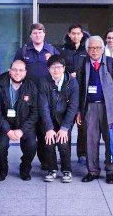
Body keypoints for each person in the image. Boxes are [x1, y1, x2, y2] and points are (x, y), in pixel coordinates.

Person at [76, 36, 113, 184]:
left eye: (98, 48)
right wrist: (79, 110)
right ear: (87, 50)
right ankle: (93, 171)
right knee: (90, 140)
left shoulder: (112, 63)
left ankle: (111, 171)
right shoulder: (82, 65)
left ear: (103, 49)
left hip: (110, 107)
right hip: (90, 107)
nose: (95, 51)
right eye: (91, 48)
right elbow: (79, 90)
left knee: (111, 140)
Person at [14, 23, 60, 171]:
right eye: (34, 33)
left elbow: (60, 69)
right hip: (28, 96)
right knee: (27, 129)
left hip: (47, 96)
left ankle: (45, 161)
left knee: (44, 129)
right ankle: (26, 161)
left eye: (40, 32)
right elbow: (17, 70)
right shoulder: (24, 50)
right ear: (30, 35)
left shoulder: (52, 50)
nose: (37, 35)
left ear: (44, 34)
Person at [0, 60, 39, 181]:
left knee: (31, 145)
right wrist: (8, 130)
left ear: (25, 72)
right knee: (1, 146)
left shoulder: (31, 86)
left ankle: (25, 168)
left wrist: (22, 130)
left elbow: (35, 112)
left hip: (24, 123)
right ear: (9, 71)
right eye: (14, 70)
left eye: (21, 70)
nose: (17, 73)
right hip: (5, 123)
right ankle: (2, 170)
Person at [39, 55, 78, 183]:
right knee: (49, 141)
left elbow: (73, 107)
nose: (56, 70)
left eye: (59, 67)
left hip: (64, 118)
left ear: (64, 68)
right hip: (49, 117)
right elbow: (43, 106)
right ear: (48, 69)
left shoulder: (72, 82)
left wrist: (65, 128)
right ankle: (52, 169)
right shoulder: (44, 81)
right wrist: (49, 128)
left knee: (63, 142)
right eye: (52, 67)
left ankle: (66, 170)